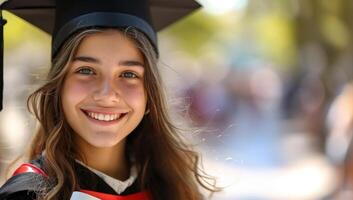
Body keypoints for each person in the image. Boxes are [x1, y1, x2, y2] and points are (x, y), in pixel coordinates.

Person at [0, 0, 219, 199]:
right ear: (59, 86)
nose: (106, 94)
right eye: (86, 70)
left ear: (149, 94)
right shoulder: (26, 195)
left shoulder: (175, 190)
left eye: (129, 74)